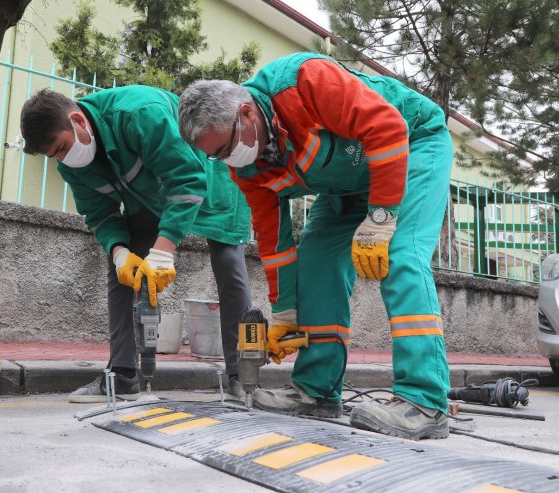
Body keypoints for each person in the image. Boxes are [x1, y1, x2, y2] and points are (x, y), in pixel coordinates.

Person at [177, 52, 453, 440]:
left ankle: (424, 401)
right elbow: (275, 243)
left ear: (245, 113)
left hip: (411, 144)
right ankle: (317, 390)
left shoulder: (304, 81)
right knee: (317, 265)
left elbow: (387, 127)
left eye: (225, 148)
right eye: (215, 156)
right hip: (346, 184)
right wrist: (286, 314)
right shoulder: (247, 169)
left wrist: (380, 219)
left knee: (401, 257)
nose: (225, 160)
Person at [20, 87, 252, 402]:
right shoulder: (70, 165)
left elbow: (187, 179)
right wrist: (119, 253)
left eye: (61, 147)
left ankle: (242, 377)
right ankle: (122, 375)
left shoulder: (140, 114)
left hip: (210, 178)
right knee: (122, 271)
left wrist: (163, 251)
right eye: (54, 155)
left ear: (77, 120)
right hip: (148, 197)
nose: (62, 158)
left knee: (229, 265)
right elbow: (99, 214)